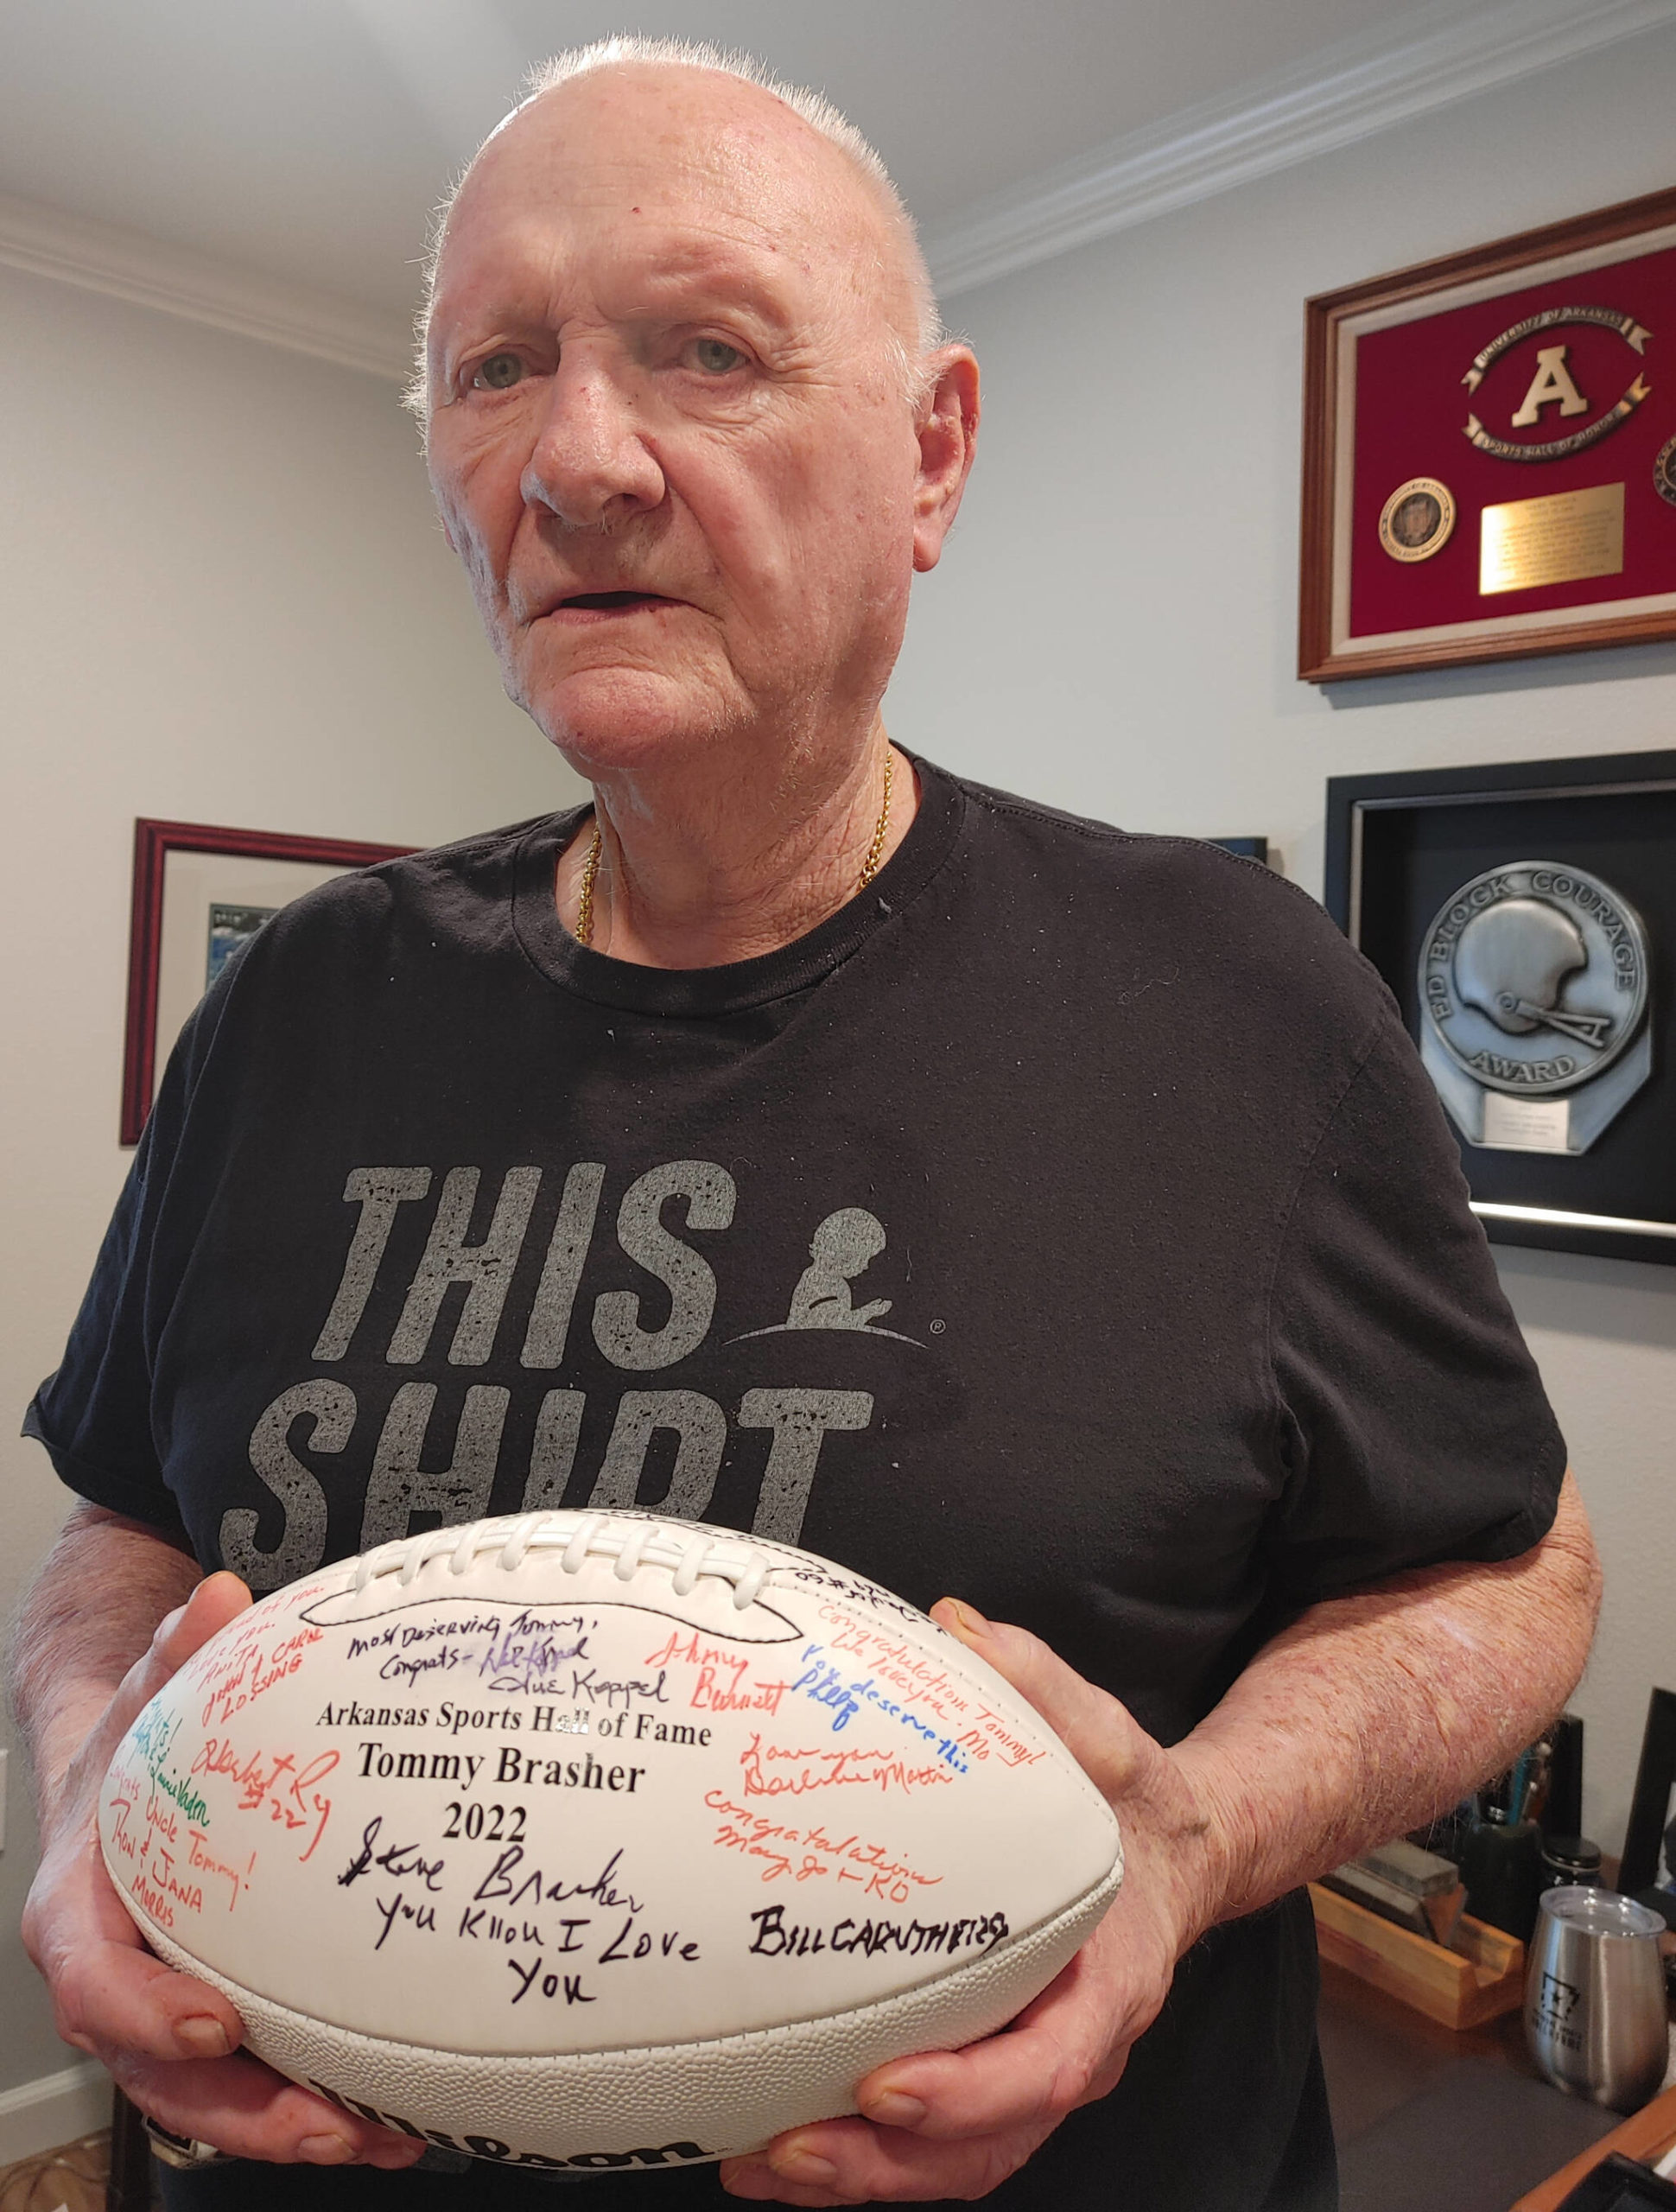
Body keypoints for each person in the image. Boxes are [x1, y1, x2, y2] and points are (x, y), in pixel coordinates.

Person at [15, 38, 1600, 2212]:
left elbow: (1506, 1558)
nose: (579, 459)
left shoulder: (1235, 994)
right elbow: (120, 1514)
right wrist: (93, 1767)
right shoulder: (298, 1000)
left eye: (708, 350)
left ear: (930, 455)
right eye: (497, 367)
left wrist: (1190, 1842)